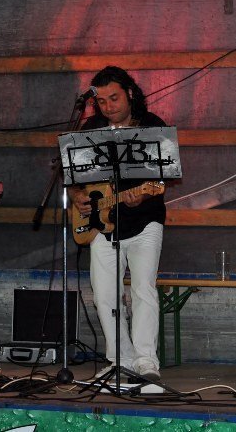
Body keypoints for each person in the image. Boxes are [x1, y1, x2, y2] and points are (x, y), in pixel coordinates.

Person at [68, 66, 166, 382]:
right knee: (105, 295)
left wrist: (142, 195)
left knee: (143, 290)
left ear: (130, 94)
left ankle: (146, 360)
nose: (108, 106)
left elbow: (162, 176)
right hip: (100, 223)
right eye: (102, 101)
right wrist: (77, 195)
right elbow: (73, 177)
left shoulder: (152, 125)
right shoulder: (91, 128)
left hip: (145, 221)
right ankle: (119, 359)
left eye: (114, 98)